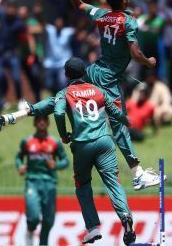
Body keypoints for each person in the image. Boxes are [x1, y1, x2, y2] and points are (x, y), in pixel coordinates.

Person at [0, 0, 162, 191]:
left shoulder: (103, 14)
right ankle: (137, 174)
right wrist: (148, 62)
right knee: (119, 125)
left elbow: (79, 5)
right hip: (108, 78)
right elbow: (135, 52)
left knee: (63, 96)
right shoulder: (128, 22)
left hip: (94, 69)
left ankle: (19, 114)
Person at [54, 58, 135, 244]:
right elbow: (115, 112)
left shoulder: (65, 92)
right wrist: (125, 120)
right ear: (84, 73)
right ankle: (125, 217)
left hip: (82, 144)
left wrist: (63, 134)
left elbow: (58, 113)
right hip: (104, 141)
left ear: (67, 75)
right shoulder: (98, 90)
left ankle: (92, 228)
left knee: (82, 184)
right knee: (113, 182)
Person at [15, 116, 69, 246]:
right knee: (33, 217)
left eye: (44, 120)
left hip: (49, 183)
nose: (41, 122)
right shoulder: (27, 141)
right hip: (32, 182)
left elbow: (65, 161)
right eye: (38, 120)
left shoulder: (54, 142)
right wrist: (20, 166)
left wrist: (56, 165)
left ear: (48, 123)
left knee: (48, 220)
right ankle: (29, 230)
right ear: (35, 123)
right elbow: (18, 157)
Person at [0, 2, 27, 108]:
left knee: (17, 78)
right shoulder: (1, 17)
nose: (10, 10)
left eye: (13, 9)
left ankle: (20, 100)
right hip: (0, 54)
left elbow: (23, 38)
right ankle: (1, 100)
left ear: (15, 10)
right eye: (9, 8)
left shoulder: (19, 23)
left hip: (12, 54)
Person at [43, 16, 74, 95]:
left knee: (62, 83)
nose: (59, 24)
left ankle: (61, 98)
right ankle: (52, 96)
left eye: (60, 22)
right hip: (50, 62)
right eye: (57, 22)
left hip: (63, 62)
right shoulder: (50, 30)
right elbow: (42, 24)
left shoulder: (67, 32)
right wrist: (38, 14)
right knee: (48, 83)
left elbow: (78, 29)